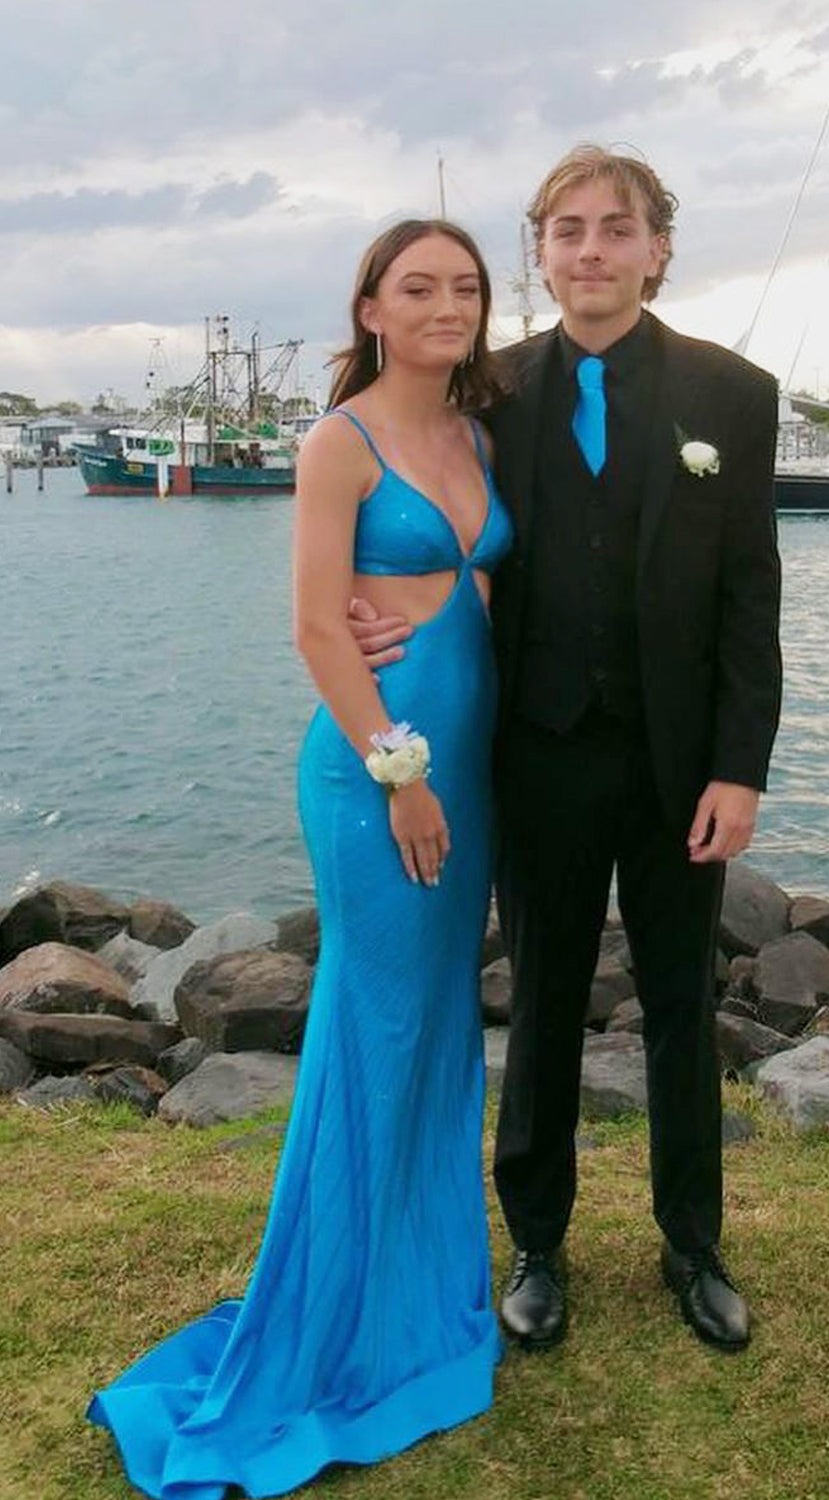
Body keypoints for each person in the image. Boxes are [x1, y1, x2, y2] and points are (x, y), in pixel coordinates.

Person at [87, 219, 512, 1499]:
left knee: (436, 1029)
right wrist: (399, 770)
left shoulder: (478, 435)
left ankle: (414, 1292)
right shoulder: (343, 441)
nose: (446, 305)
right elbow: (317, 628)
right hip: (382, 778)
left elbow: (484, 594)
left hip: (470, 769)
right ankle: (330, 1325)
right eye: (418, 287)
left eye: (466, 287)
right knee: (374, 1031)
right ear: (371, 309)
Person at [351, 146, 782, 1356]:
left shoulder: (733, 394)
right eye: (567, 230)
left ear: (656, 248)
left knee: (682, 1002)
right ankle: (536, 1244)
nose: (591, 251)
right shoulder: (488, 392)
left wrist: (739, 767)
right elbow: (417, 510)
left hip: (679, 766)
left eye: (615, 229)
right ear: (539, 253)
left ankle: (692, 1245)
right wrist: (371, 608)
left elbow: (750, 595)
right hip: (535, 757)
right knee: (540, 1002)